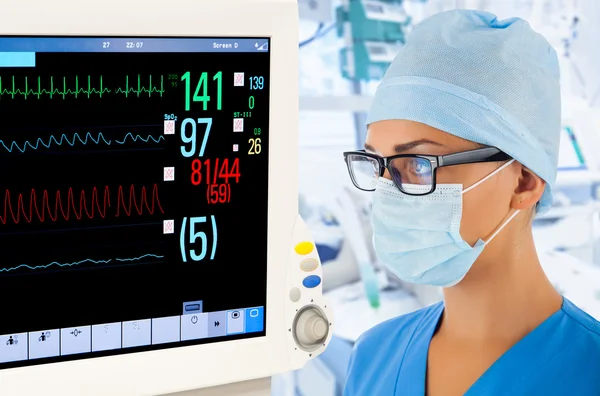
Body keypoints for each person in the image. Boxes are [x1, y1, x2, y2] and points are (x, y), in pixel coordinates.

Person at [342, 9, 600, 396]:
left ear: (524, 182)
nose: (387, 190)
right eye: (376, 162)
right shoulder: (374, 355)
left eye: (416, 163)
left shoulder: (588, 373)